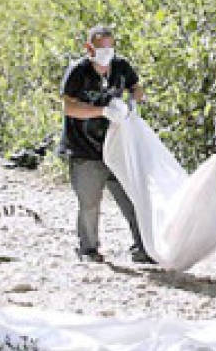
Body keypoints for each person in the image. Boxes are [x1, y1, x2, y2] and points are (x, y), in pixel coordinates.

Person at [59, 24, 150, 264]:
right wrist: (101, 111)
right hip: (84, 149)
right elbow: (69, 107)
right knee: (89, 202)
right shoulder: (77, 72)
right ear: (89, 48)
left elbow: (136, 87)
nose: (106, 53)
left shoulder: (121, 67)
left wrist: (133, 100)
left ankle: (143, 247)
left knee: (132, 198)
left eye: (110, 47)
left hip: (118, 146)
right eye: (100, 48)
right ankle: (88, 249)